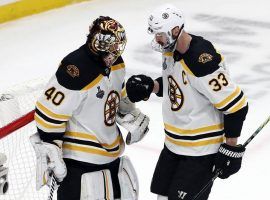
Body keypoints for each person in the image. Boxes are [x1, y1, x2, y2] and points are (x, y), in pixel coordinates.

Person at [126, 4, 248, 200]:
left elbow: (236, 106)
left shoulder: (201, 62)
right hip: (174, 145)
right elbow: (179, 87)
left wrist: (230, 147)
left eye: (161, 34)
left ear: (176, 30)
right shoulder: (170, 49)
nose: (157, 39)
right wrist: (152, 86)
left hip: (200, 152)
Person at [30, 16, 149, 200]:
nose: (114, 52)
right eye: (110, 47)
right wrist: (52, 150)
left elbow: (114, 95)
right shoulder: (75, 69)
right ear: (98, 44)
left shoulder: (117, 63)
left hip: (112, 160)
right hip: (79, 164)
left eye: (117, 47)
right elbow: (47, 114)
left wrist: (127, 111)